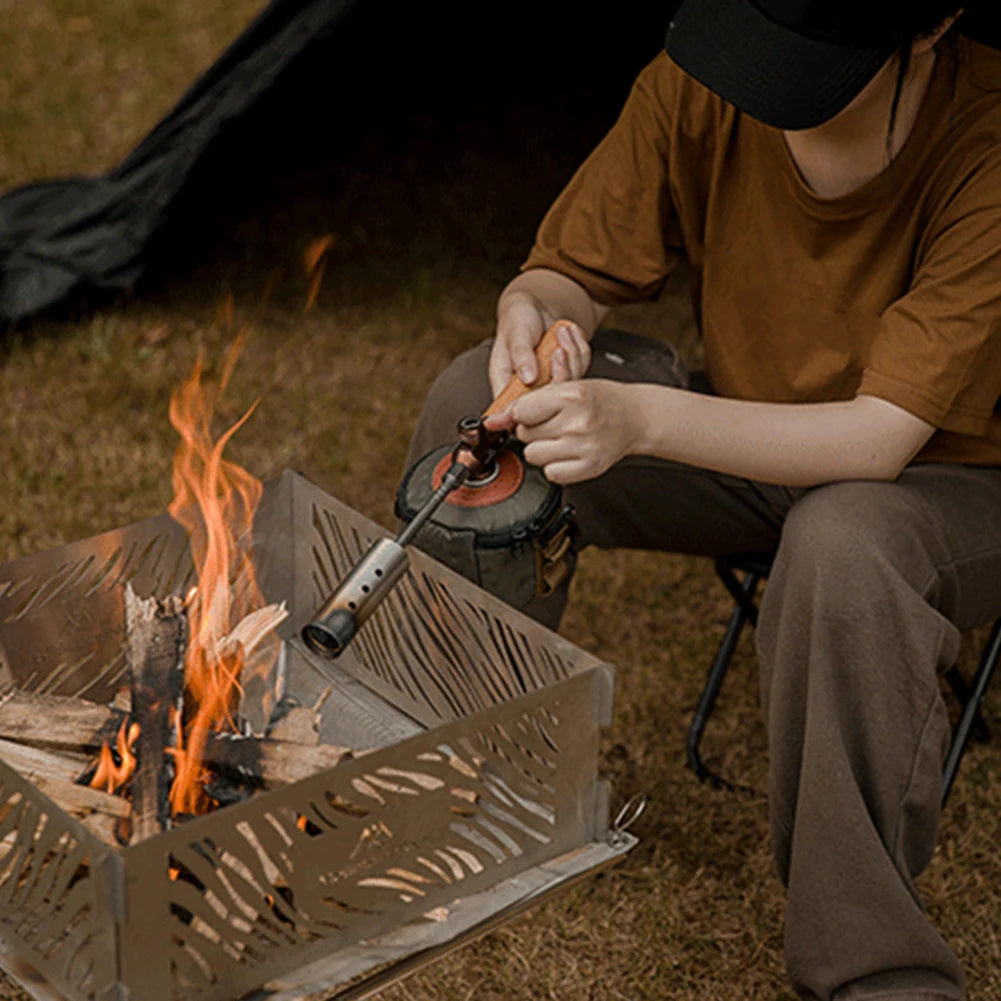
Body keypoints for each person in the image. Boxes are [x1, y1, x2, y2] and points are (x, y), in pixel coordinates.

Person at [404, 2, 1001, 998]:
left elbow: (876, 437)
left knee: (844, 538)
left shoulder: (985, 144)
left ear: (930, 26)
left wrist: (634, 422)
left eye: (809, 62)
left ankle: (868, 963)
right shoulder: (708, 79)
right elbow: (568, 269)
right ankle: (450, 793)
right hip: (749, 436)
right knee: (477, 401)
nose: (768, 87)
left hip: (948, 479)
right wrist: (534, 317)